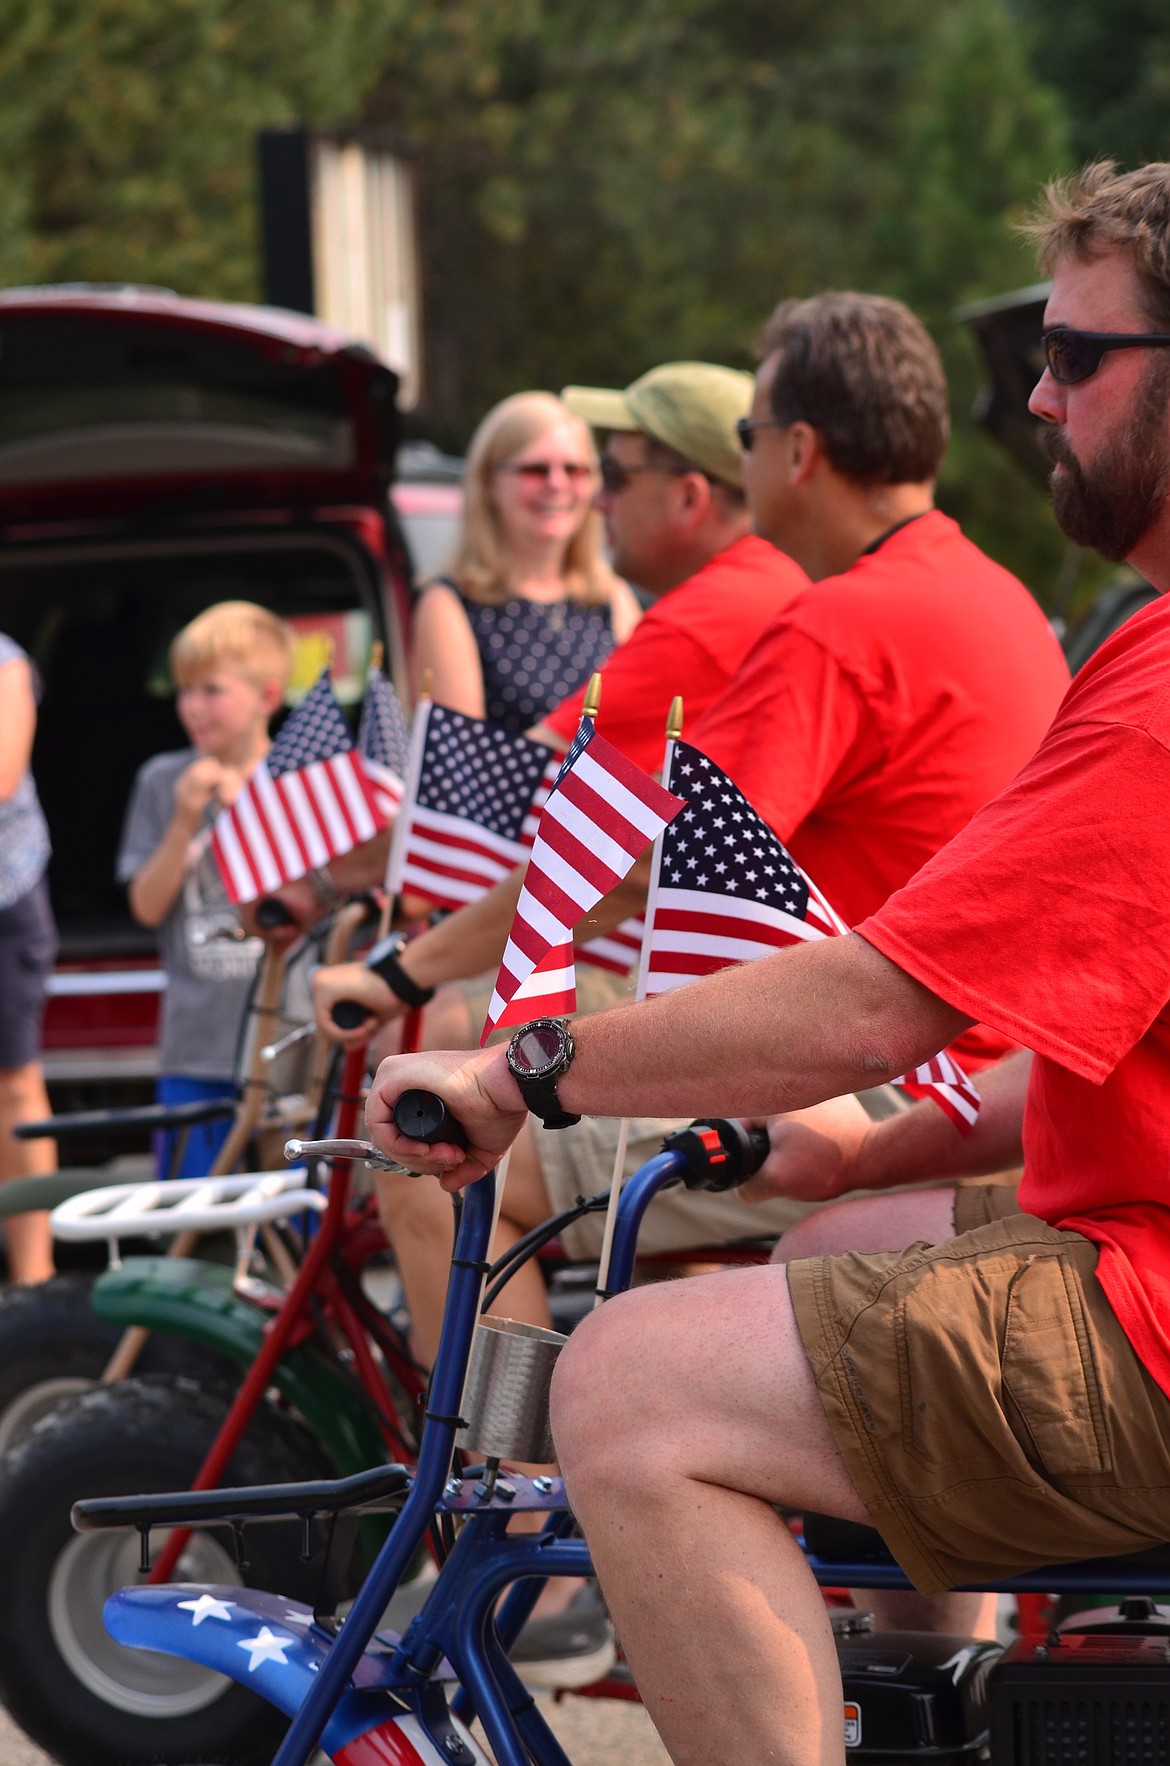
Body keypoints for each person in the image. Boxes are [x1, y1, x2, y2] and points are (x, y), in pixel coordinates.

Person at [366, 159, 1170, 1766]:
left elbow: (751, 923)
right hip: (1002, 1137)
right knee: (834, 1243)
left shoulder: (853, 627)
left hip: (1114, 1279)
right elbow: (1095, 1022)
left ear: (787, 455)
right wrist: (879, 1135)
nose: (1036, 391)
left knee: (626, 1377)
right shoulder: (1012, 605)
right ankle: (908, 1702)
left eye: (1075, 356)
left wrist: (497, 1050)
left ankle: (510, 1536)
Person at [318, 297, 1069, 1365]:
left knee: (428, 1160)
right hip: (985, 1068)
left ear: (798, 451)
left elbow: (629, 862)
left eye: (750, 440)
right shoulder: (989, 592)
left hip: (893, 1081)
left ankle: (517, 1506)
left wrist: (401, 970)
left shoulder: (837, 622)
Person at [116, 602, 294, 1179]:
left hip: (286, 1044)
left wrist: (252, 811)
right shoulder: (162, 780)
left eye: (211, 690)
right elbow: (146, 906)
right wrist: (184, 821)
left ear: (267, 696)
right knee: (190, 1208)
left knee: (292, 1206)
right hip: (195, 1044)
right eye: (184, 690)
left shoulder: (302, 784)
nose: (192, 707)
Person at [411, 391, 640, 732]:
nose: (557, 484)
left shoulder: (613, 598)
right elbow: (461, 767)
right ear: (489, 483)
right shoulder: (449, 606)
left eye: (575, 470)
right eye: (536, 470)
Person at [0, 635, 57, 1284]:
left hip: (5, 899)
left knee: (14, 1084)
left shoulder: (4, 662)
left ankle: (32, 1280)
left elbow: (3, 773)